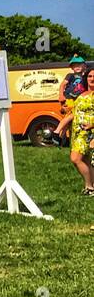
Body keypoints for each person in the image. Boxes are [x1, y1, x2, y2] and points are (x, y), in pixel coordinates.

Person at [55, 66, 94, 195]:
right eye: (89, 76)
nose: (92, 79)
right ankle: (90, 186)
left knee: (76, 158)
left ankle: (89, 187)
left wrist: (91, 125)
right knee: (85, 160)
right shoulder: (81, 95)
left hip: (90, 132)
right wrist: (60, 129)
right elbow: (73, 114)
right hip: (77, 132)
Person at [59, 56, 87, 145]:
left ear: (84, 66)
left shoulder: (86, 76)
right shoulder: (70, 75)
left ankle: (61, 138)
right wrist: (60, 95)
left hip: (79, 99)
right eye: (75, 66)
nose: (77, 67)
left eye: (79, 65)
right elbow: (62, 85)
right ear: (71, 68)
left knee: (73, 119)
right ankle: (58, 133)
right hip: (70, 98)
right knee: (70, 115)